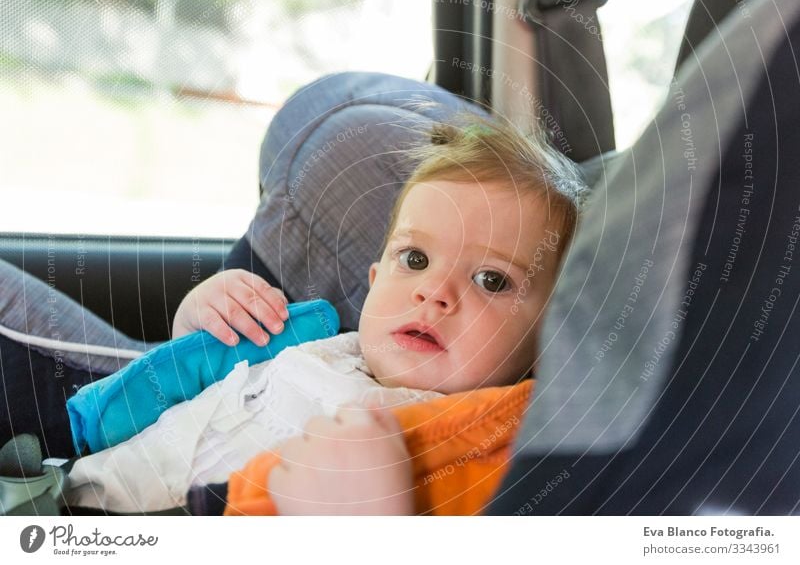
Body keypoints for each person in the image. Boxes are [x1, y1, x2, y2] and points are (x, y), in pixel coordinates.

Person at [64, 115, 584, 513]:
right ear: (376, 281)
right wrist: (200, 325)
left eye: (492, 279)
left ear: (548, 334)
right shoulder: (312, 342)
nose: (434, 293)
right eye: (416, 260)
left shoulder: (485, 452)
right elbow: (193, 390)